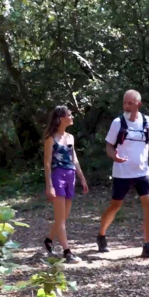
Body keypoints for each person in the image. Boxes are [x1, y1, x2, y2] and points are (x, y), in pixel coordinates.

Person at [96, 90, 149, 259]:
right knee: (115, 206)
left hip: (143, 172)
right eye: (124, 103)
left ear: (138, 104)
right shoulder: (117, 123)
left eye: (130, 103)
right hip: (122, 173)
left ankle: (148, 245)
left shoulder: (147, 121)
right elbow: (109, 146)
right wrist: (115, 156)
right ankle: (101, 235)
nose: (126, 106)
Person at [43, 105, 89, 263]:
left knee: (63, 216)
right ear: (62, 119)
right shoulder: (51, 138)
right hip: (57, 176)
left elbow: (74, 159)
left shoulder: (70, 137)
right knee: (61, 218)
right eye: (70, 115)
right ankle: (67, 251)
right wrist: (49, 185)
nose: (72, 117)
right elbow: (47, 163)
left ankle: (49, 240)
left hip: (70, 176)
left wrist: (82, 178)